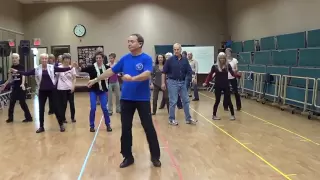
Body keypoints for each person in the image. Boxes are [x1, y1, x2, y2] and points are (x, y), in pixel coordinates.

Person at [87, 33, 161, 168]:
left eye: (132, 41)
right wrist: (95, 79)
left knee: (148, 127)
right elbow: (110, 71)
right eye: (128, 41)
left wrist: (132, 78)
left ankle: (155, 156)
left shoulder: (146, 58)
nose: (129, 44)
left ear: (140, 44)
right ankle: (127, 157)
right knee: (126, 128)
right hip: (126, 99)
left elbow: (147, 74)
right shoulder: (124, 59)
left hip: (142, 99)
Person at [11, 53, 76, 133]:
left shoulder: (51, 67)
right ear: (40, 60)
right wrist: (17, 71)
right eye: (43, 59)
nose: (44, 60)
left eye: (45, 58)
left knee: (56, 108)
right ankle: (41, 127)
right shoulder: (37, 69)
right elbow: (27, 73)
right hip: (42, 91)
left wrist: (71, 67)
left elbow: (62, 69)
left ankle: (61, 124)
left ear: (47, 59)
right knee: (41, 109)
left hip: (52, 91)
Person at [161, 43, 198, 126]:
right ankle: (171, 119)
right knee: (173, 101)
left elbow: (189, 70)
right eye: (175, 49)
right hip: (172, 82)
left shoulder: (185, 60)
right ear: (173, 50)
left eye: (178, 49)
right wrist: (163, 83)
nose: (176, 51)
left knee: (186, 100)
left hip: (182, 82)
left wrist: (193, 77)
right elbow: (164, 72)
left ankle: (188, 119)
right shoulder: (170, 60)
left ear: (180, 50)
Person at [76, 51, 112, 132]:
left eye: (100, 58)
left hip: (102, 91)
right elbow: (81, 70)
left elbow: (111, 74)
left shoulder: (106, 68)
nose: (98, 59)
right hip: (93, 90)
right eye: (97, 58)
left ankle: (108, 124)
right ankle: (92, 126)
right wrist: (77, 66)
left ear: (103, 59)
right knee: (93, 108)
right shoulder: (92, 67)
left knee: (104, 108)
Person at [0, 53, 32, 123]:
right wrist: (5, 84)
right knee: (12, 102)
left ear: (18, 58)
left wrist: (23, 83)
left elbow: (23, 75)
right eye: (13, 58)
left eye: (15, 58)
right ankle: (10, 118)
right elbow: (10, 78)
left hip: (21, 87)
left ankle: (29, 117)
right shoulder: (11, 67)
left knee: (22, 103)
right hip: (15, 87)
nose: (14, 59)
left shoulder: (21, 67)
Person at [203, 52, 236, 120]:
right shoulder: (215, 66)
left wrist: (238, 75)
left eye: (223, 58)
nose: (222, 60)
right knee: (217, 100)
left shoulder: (227, 65)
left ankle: (232, 115)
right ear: (218, 59)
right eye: (221, 58)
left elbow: (232, 74)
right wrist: (206, 82)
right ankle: (214, 115)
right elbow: (210, 75)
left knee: (229, 100)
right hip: (218, 85)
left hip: (226, 85)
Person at [56, 53, 76, 123]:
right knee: (63, 104)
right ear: (63, 60)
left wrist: (73, 86)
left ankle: (73, 117)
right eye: (65, 59)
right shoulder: (59, 67)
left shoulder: (72, 68)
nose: (67, 60)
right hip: (61, 88)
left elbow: (74, 78)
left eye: (68, 59)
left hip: (70, 88)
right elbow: (56, 78)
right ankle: (63, 118)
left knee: (72, 104)